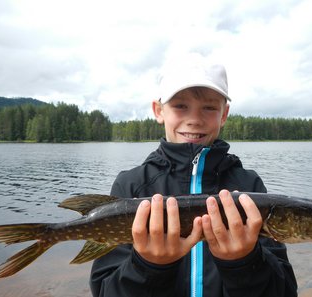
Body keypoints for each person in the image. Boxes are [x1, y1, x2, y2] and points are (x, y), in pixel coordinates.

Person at [90, 55, 298, 297]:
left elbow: (284, 292)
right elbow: (105, 292)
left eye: (209, 107)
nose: (194, 119)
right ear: (159, 111)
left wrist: (244, 263)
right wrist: (148, 267)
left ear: (224, 114)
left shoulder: (249, 186)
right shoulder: (131, 185)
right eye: (180, 106)